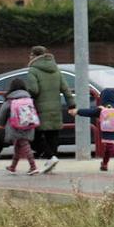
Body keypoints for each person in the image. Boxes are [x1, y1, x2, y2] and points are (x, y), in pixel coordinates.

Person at [23, 45, 75, 174]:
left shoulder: (33, 70)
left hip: (40, 109)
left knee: (34, 137)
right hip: (56, 108)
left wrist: (26, 92)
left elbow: (34, 90)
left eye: (31, 55)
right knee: (52, 136)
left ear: (35, 56)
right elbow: (65, 89)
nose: (29, 57)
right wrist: (72, 105)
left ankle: (51, 157)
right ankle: (51, 161)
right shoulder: (56, 69)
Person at [74, 88, 114, 172]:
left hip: (106, 130)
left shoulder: (101, 109)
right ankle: (104, 164)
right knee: (108, 147)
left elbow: (90, 112)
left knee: (109, 145)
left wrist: (78, 111)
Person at [0, 77, 39, 175]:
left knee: (24, 144)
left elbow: (2, 113)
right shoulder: (28, 98)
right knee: (18, 145)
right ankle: (13, 167)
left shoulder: (10, 99)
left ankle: (33, 167)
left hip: (15, 126)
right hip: (28, 124)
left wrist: (1, 124)